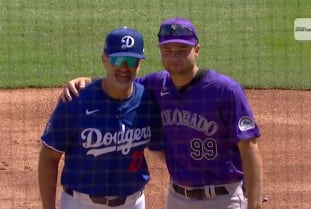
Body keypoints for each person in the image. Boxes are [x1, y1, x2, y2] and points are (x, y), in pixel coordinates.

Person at [59, 17, 264, 209]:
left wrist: (254, 204)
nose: (174, 57)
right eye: (168, 50)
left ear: (197, 50)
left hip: (223, 199)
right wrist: (86, 80)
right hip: (177, 198)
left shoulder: (223, 90)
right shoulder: (157, 84)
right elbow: (121, 82)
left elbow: (249, 147)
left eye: (182, 50)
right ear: (160, 51)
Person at [38, 27, 163, 209]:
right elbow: (49, 156)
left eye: (131, 60)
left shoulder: (147, 100)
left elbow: (163, 149)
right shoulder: (76, 100)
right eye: (117, 59)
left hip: (133, 203)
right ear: (104, 59)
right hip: (80, 203)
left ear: (139, 64)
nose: (124, 67)